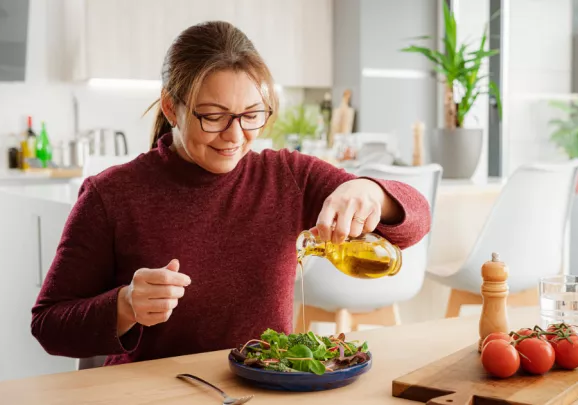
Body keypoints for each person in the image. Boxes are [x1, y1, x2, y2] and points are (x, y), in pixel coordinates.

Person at [31, 21, 431, 366]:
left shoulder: (286, 175)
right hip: (155, 391)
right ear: (172, 108)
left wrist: (369, 190)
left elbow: (415, 222)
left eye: (251, 115)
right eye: (214, 117)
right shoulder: (112, 194)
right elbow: (48, 325)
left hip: (262, 387)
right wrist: (124, 306)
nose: (236, 136)